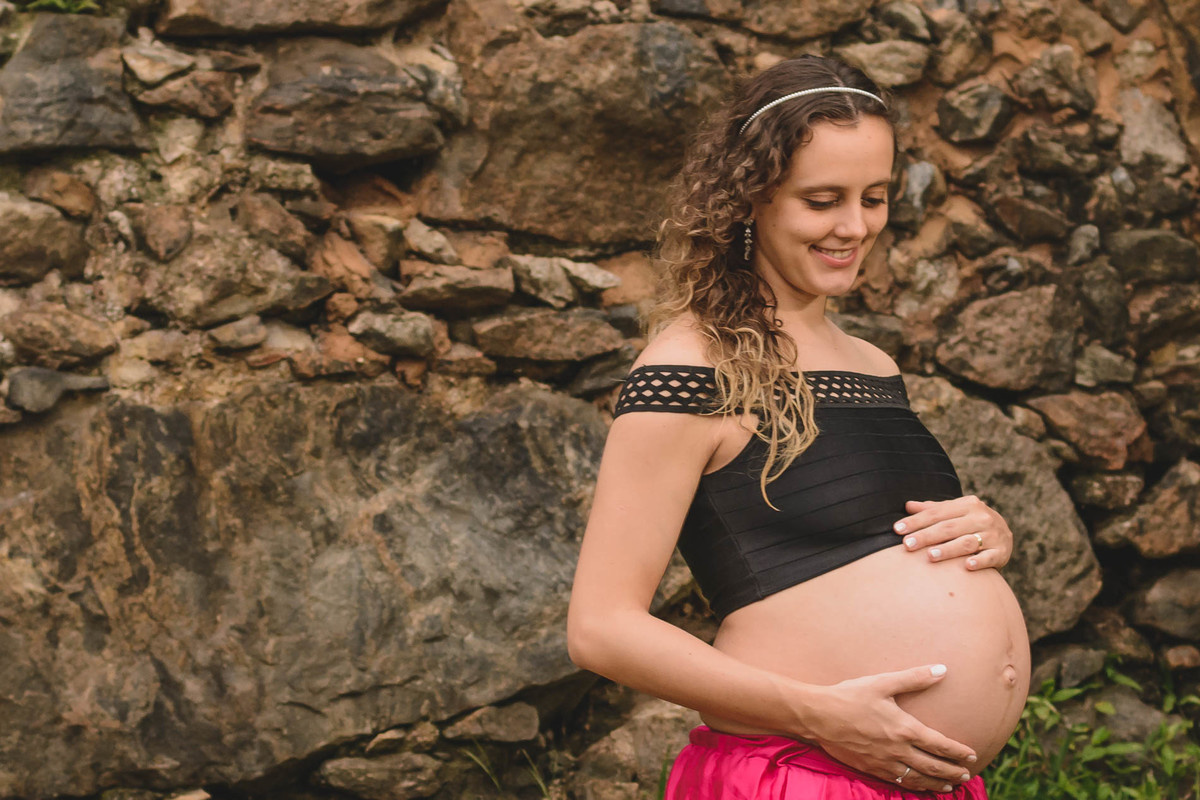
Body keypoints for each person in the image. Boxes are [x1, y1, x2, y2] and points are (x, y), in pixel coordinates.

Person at [567, 55, 1031, 799]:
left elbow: (874, 542)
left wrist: (984, 535)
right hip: (797, 773)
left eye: (874, 197)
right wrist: (818, 712)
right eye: (822, 200)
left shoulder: (872, 363)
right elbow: (601, 628)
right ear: (751, 198)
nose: (855, 226)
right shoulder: (692, 366)